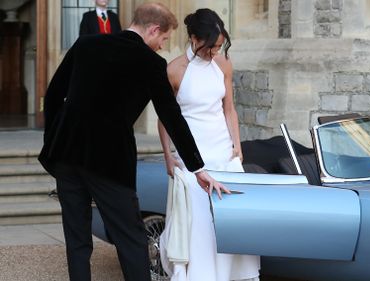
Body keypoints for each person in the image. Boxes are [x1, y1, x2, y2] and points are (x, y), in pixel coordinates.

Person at [38, 3, 228, 281]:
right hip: (109, 161)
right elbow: (172, 116)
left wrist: (54, 142)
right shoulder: (151, 63)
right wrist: (198, 167)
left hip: (67, 155)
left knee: (77, 239)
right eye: (163, 39)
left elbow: (54, 95)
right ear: (153, 29)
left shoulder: (85, 44)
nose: (162, 46)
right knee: (132, 238)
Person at [158, 8, 260, 281]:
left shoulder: (224, 62)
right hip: (193, 156)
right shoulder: (174, 70)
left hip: (223, 151)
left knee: (233, 218)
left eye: (218, 46)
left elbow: (229, 109)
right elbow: (165, 118)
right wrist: (168, 157)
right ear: (193, 38)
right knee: (201, 224)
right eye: (210, 47)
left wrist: (237, 146)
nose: (215, 52)